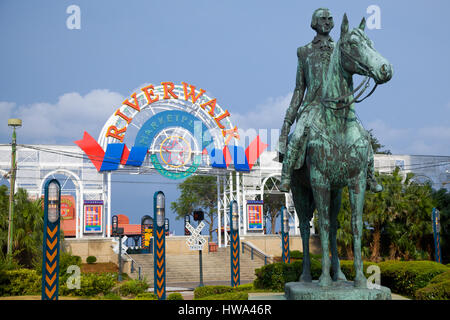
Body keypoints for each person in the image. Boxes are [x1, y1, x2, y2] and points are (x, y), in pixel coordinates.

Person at [278, 8, 381, 193]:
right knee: (299, 133)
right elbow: (299, 89)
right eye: (322, 19)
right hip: (313, 106)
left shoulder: (341, 47)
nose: (326, 22)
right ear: (314, 23)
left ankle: (369, 176)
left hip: (339, 106)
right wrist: (288, 121)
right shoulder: (304, 52)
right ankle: (286, 175)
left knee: (363, 135)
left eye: (329, 19)